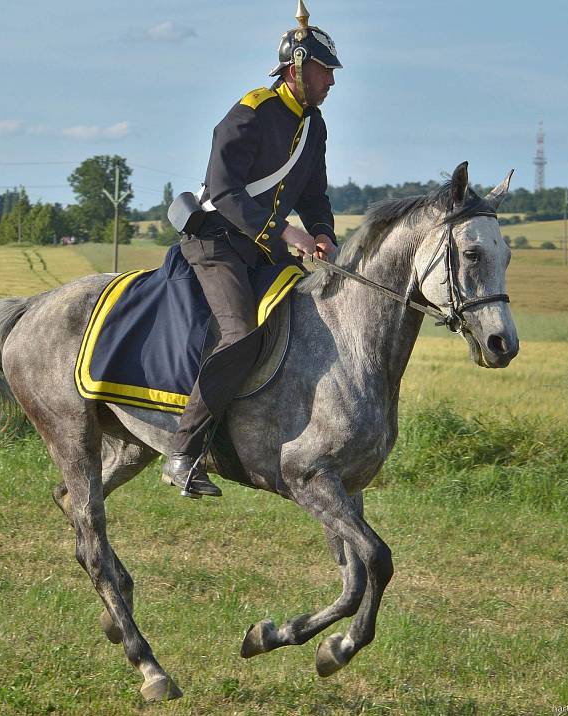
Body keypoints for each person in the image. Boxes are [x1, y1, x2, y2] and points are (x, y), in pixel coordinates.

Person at [162, 0, 341, 497]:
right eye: (324, 71)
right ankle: (183, 451)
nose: (331, 82)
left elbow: (314, 193)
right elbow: (224, 192)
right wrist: (289, 234)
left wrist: (322, 231)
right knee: (240, 334)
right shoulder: (252, 112)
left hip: (262, 248)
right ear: (296, 69)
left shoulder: (313, 126)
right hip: (215, 241)